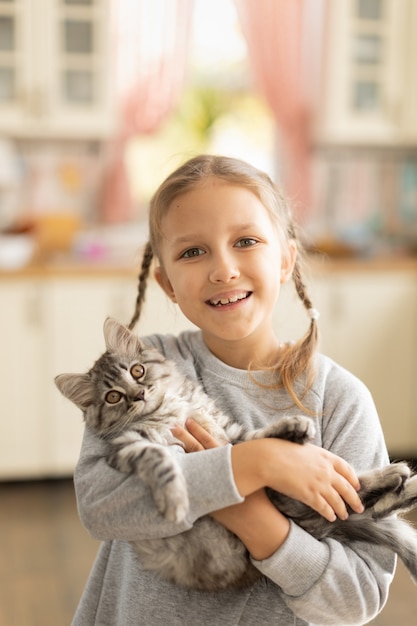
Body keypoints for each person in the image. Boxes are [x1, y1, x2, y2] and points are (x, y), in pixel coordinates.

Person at [72, 154, 395, 626]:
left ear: (285, 259)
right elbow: (101, 504)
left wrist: (248, 513)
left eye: (245, 241)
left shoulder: (340, 402)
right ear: (167, 284)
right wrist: (254, 462)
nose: (223, 269)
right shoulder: (147, 369)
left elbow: (357, 598)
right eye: (192, 252)